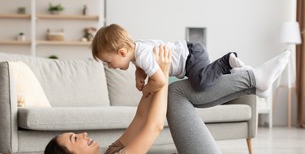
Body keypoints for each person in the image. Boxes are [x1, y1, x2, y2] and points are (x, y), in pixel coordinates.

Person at [44, 45, 290, 154]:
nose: (83, 133)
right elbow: (153, 127)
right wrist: (161, 75)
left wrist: (147, 90)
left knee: (176, 94)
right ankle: (252, 79)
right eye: (76, 138)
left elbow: (140, 120)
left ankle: (254, 84)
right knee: (175, 94)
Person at [90, 23, 246, 96]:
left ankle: (226, 61)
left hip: (190, 58)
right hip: (191, 54)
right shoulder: (137, 50)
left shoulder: (142, 56)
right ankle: (231, 70)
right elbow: (141, 66)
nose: (110, 67)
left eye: (108, 62)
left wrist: (146, 90)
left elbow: (160, 81)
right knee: (211, 79)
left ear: (122, 52)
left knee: (200, 83)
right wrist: (140, 75)